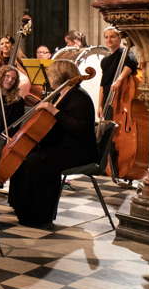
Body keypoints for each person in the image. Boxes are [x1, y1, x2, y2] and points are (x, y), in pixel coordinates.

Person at [8, 59, 96, 228]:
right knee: (24, 157)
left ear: (60, 76)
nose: (48, 78)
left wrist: (53, 110)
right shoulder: (61, 93)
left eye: (51, 74)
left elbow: (79, 128)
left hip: (78, 150)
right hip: (61, 145)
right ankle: (21, 207)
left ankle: (40, 215)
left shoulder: (79, 97)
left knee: (38, 162)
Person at [99, 26, 138, 119]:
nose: (109, 40)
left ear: (119, 38)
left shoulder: (126, 53)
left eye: (112, 37)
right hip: (108, 100)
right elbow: (102, 85)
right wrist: (100, 105)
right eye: (106, 37)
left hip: (121, 100)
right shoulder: (104, 60)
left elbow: (131, 63)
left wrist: (119, 79)